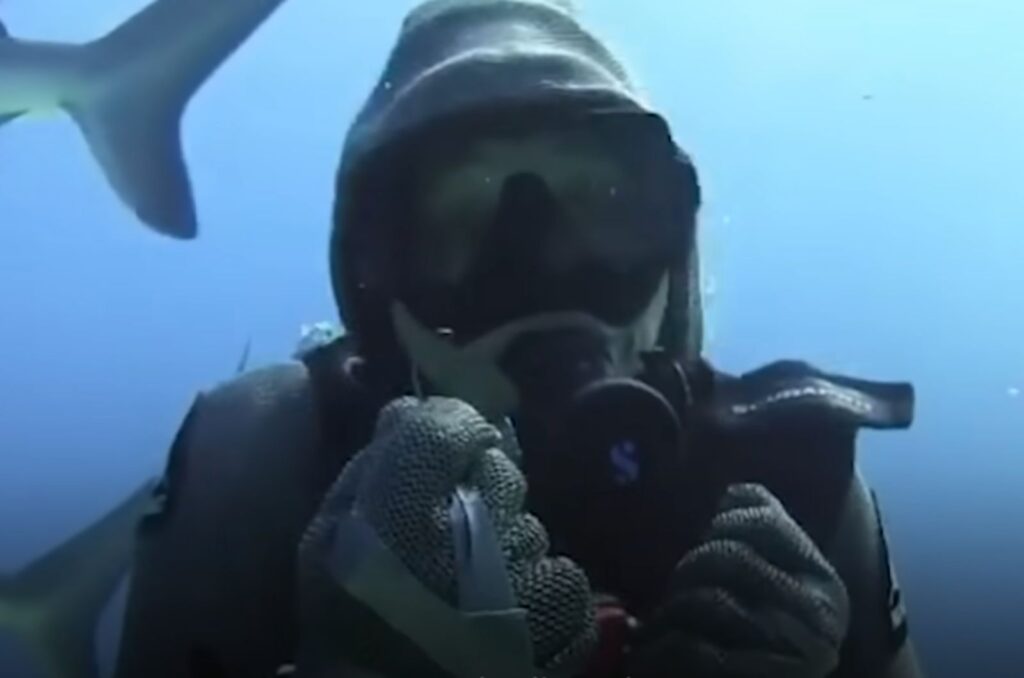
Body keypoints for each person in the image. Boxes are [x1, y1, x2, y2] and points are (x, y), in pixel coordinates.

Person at [115, 1, 924, 676]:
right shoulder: (264, 452)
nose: (544, 278)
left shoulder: (795, 474)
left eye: (605, 209)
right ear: (376, 291)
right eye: (459, 227)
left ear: (673, 262)